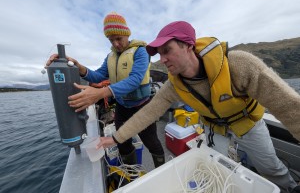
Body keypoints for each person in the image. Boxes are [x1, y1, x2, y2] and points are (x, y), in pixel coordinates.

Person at [97, 21, 300, 192]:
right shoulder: (173, 85)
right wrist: (116, 137)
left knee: (271, 169)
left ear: (188, 45)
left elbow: (288, 107)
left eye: (167, 50)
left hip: (247, 123)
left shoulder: (239, 64)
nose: (162, 59)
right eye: (159, 53)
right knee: (213, 169)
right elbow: (148, 113)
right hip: (214, 128)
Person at [46, 12, 165, 167]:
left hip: (141, 107)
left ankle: (161, 169)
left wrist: (100, 93)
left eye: (118, 39)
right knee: (122, 142)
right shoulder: (110, 56)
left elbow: (135, 80)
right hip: (122, 107)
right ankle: (132, 173)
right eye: (111, 40)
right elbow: (98, 76)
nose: (115, 44)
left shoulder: (140, 51)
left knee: (152, 142)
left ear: (126, 35)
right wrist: (79, 67)